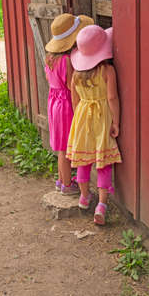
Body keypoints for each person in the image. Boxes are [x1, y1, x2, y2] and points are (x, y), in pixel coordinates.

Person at [66, 25, 122, 224]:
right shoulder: (107, 70)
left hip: (82, 115)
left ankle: (84, 197)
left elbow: (74, 99)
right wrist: (116, 122)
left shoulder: (76, 74)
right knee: (103, 161)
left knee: (83, 159)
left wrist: (78, 117)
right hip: (102, 116)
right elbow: (112, 97)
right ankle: (102, 205)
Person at [45, 13, 94, 195]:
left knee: (60, 145)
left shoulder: (50, 58)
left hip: (53, 101)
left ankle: (60, 180)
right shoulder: (66, 60)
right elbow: (70, 86)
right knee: (66, 147)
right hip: (65, 104)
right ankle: (67, 184)